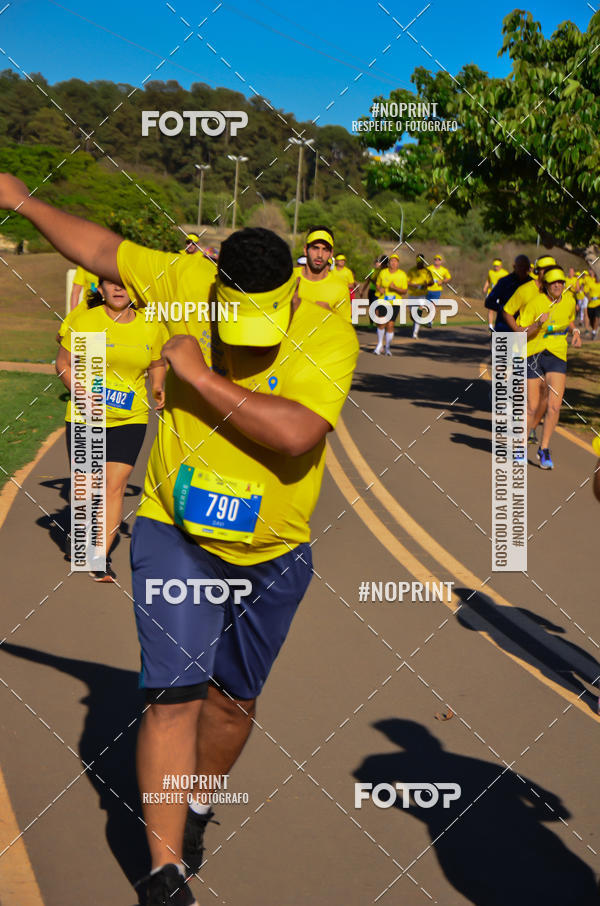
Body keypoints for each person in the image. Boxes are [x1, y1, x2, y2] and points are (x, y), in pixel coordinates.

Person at [0, 170, 359, 906]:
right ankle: (163, 874)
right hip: (175, 530)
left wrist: (197, 374)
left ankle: (197, 802)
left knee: (232, 703)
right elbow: (99, 248)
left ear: (291, 297)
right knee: (173, 698)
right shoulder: (184, 282)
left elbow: (297, 434)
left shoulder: (328, 331)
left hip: (272, 552)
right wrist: (20, 200)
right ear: (216, 291)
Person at [55, 279, 166, 582]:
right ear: (101, 288)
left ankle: (100, 556)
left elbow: (157, 363)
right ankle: (81, 537)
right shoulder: (86, 321)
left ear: (136, 289)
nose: (118, 289)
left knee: (113, 486)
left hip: (131, 417)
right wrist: (81, 393)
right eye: (111, 284)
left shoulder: (150, 326)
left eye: (124, 284)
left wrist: (158, 385)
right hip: (87, 416)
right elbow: (64, 363)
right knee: (87, 485)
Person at [519, 266, 581, 469]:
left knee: (554, 406)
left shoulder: (569, 301)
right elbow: (519, 332)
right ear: (546, 285)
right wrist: (538, 324)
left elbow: (569, 319)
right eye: (553, 282)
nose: (557, 286)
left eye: (560, 282)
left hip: (557, 356)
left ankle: (544, 449)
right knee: (532, 406)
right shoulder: (535, 303)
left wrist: (576, 331)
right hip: (533, 355)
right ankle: (521, 447)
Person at [293, 226, 352, 321]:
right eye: (315, 248)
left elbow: (346, 328)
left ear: (331, 253)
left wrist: (329, 315)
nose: (320, 255)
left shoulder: (341, 288)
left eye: (325, 249)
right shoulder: (288, 277)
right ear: (305, 250)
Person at [502, 256, 556, 332]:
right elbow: (507, 312)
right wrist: (518, 331)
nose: (548, 272)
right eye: (545, 269)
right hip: (529, 337)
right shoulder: (524, 290)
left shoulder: (558, 291)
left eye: (551, 269)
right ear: (537, 271)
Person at [484, 255, 531, 331]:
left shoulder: (533, 283)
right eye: (520, 266)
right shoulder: (504, 282)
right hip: (503, 327)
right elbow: (488, 302)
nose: (523, 269)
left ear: (529, 268)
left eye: (525, 267)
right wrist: (505, 310)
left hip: (526, 329)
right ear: (514, 267)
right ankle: (490, 325)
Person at [373, 253, 408, 355]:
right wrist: (380, 289)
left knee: (390, 325)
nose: (393, 263)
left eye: (395, 261)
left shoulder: (402, 275)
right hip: (383, 300)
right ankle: (379, 345)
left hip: (395, 302)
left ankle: (387, 348)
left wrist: (395, 288)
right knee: (381, 322)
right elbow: (378, 284)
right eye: (392, 261)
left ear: (398, 263)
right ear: (389, 263)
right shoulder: (383, 272)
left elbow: (405, 291)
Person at [406, 254, 434, 338]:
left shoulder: (427, 271)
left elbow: (432, 282)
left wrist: (426, 284)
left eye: (421, 262)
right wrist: (413, 285)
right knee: (412, 315)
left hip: (422, 295)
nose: (419, 263)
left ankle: (415, 333)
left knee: (418, 313)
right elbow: (406, 281)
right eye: (418, 261)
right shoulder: (411, 270)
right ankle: (415, 320)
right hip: (412, 294)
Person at [426, 253, 451, 327]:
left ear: (441, 261)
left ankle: (430, 321)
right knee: (428, 306)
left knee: (433, 305)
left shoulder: (444, 270)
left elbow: (448, 278)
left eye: (439, 260)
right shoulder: (429, 268)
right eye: (435, 259)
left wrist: (442, 281)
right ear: (434, 260)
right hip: (428, 289)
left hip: (437, 290)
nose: (437, 261)